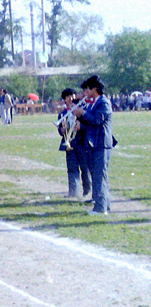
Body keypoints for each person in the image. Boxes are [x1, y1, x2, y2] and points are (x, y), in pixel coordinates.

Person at [73, 75, 113, 215]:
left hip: (101, 144)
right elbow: (89, 122)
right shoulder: (96, 102)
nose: (86, 92)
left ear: (95, 89)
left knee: (99, 177)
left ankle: (100, 209)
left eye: (88, 89)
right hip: (94, 144)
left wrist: (83, 113)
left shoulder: (103, 103)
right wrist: (79, 117)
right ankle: (104, 205)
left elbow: (97, 120)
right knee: (98, 176)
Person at [56, 88, 91, 201]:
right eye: (68, 96)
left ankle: (88, 191)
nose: (71, 98)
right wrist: (62, 130)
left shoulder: (82, 111)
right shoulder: (63, 114)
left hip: (82, 143)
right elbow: (60, 129)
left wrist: (81, 127)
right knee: (72, 169)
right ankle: (74, 192)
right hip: (69, 144)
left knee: (85, 168)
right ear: (64, 99)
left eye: (72, 95)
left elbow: (88, 126)